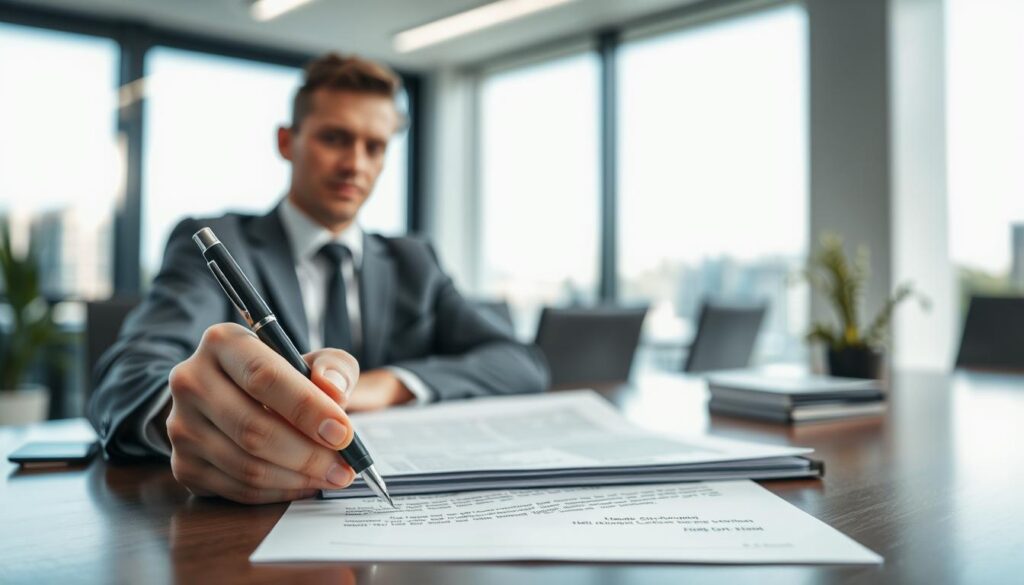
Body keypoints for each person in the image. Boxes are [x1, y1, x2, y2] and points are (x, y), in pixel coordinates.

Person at [87, 53, 549, 504]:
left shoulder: (415, 260)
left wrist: (388, 384)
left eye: (375, 146)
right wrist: (193, 418)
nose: (356, 164)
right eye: (335, 138)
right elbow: (126, 379)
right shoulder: (220, 243)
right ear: (288, 141)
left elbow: (520, 362)